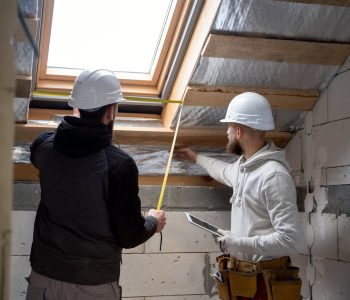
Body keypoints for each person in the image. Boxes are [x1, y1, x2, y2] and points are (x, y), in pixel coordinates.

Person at [26, 69, 166, 300]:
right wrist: (153, 222)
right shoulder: (120, 165)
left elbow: (43, 147)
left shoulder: (44, 148)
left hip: (44, 277)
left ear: (75, 107)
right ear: (111, 110)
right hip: (93, 284)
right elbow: (130, 236)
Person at [176, 92, 304, 300]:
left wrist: (239, 242)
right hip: (244, 278)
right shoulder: (244, 167)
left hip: (264, 282)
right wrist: (195, 157)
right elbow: (223, 171)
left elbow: (292, 240)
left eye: (228, 127)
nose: (226, 132)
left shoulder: (273, 176)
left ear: (238, 131)